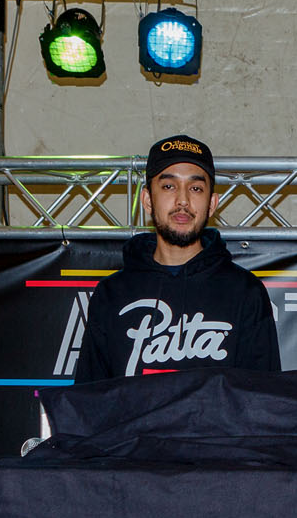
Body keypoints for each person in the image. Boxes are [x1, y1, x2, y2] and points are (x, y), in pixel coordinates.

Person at [75, 134, 281, 382]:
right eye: (169, 186)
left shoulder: (245, 293)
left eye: (196, 188)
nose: (183, 200)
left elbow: (264, 398)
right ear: (148, 200)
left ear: (212, 204)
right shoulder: (112, 294)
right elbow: (88, 399)